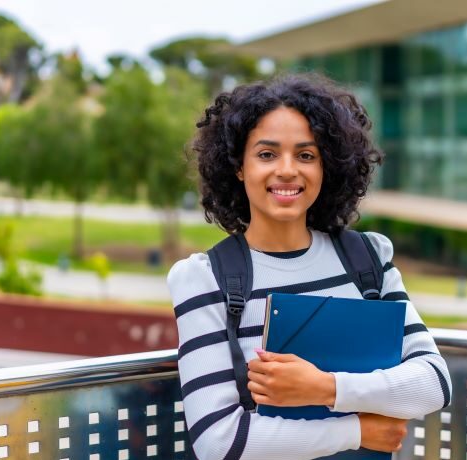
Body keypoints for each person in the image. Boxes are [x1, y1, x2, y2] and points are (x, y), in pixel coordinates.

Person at [166, 74, 451, 460]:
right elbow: (219, 441)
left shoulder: (369, 260)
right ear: (238, 167)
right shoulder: (206, 279)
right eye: (267, 154)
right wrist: (356, 430)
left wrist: (325, 389)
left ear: (326, 167)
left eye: (306, 155)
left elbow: (434, 382)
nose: (287, 170)